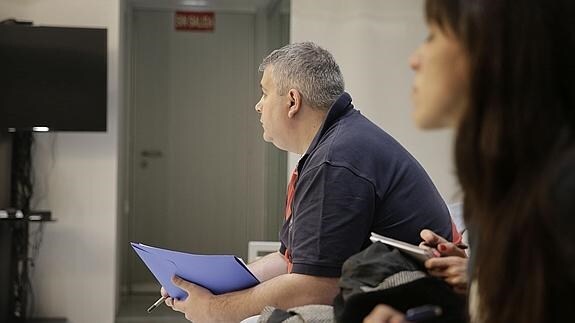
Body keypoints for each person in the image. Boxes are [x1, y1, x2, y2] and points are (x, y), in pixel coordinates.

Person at [161, 42, 455, 322]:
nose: (258, 106)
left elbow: (315, 288)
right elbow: (287, 259)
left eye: (264, 93)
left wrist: (215, 310)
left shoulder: (336, 159)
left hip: (416, 301)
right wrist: (214, 287)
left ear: (292, 101)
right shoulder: (338, 142)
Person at [365, 0, 575, 322]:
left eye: (433, 35)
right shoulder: (504, 180)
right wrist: (480, 271)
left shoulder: (561, 193)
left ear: (490, 49)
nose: (414, 60)